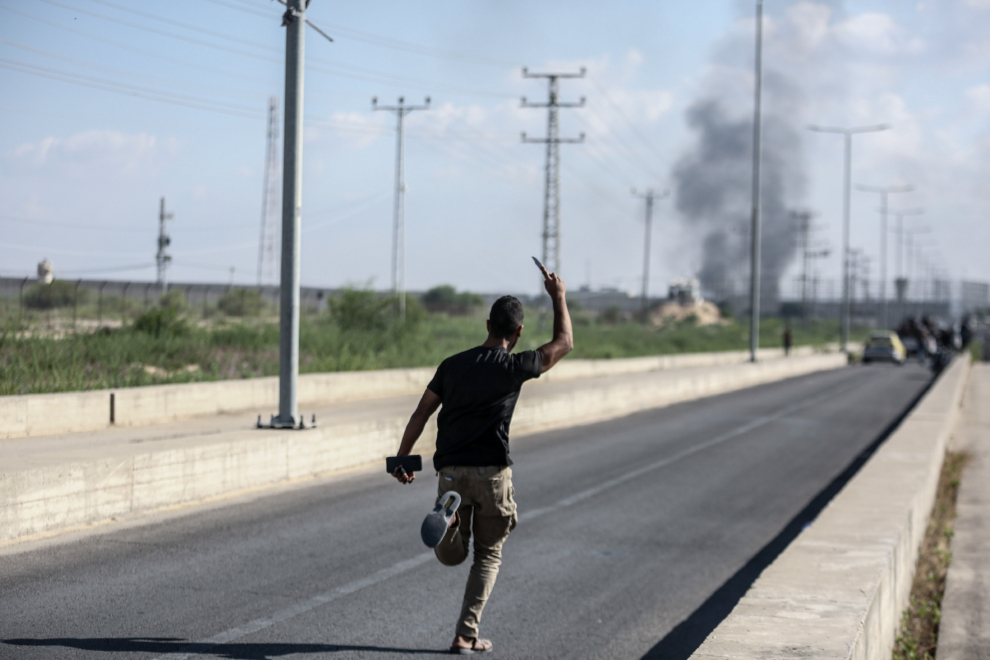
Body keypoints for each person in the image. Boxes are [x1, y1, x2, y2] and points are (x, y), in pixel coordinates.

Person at [391, 263, 573, 655]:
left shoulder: (452, 365)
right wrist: (558, 296)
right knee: (488, 555)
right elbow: (564, 343)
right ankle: (464, 635)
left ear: (486, 324)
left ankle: (452, 522)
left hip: (451, 474)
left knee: (453, 557)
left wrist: (403, 458)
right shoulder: (515, 367)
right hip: (492, 475)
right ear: (518, 332)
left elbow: (421, 413)